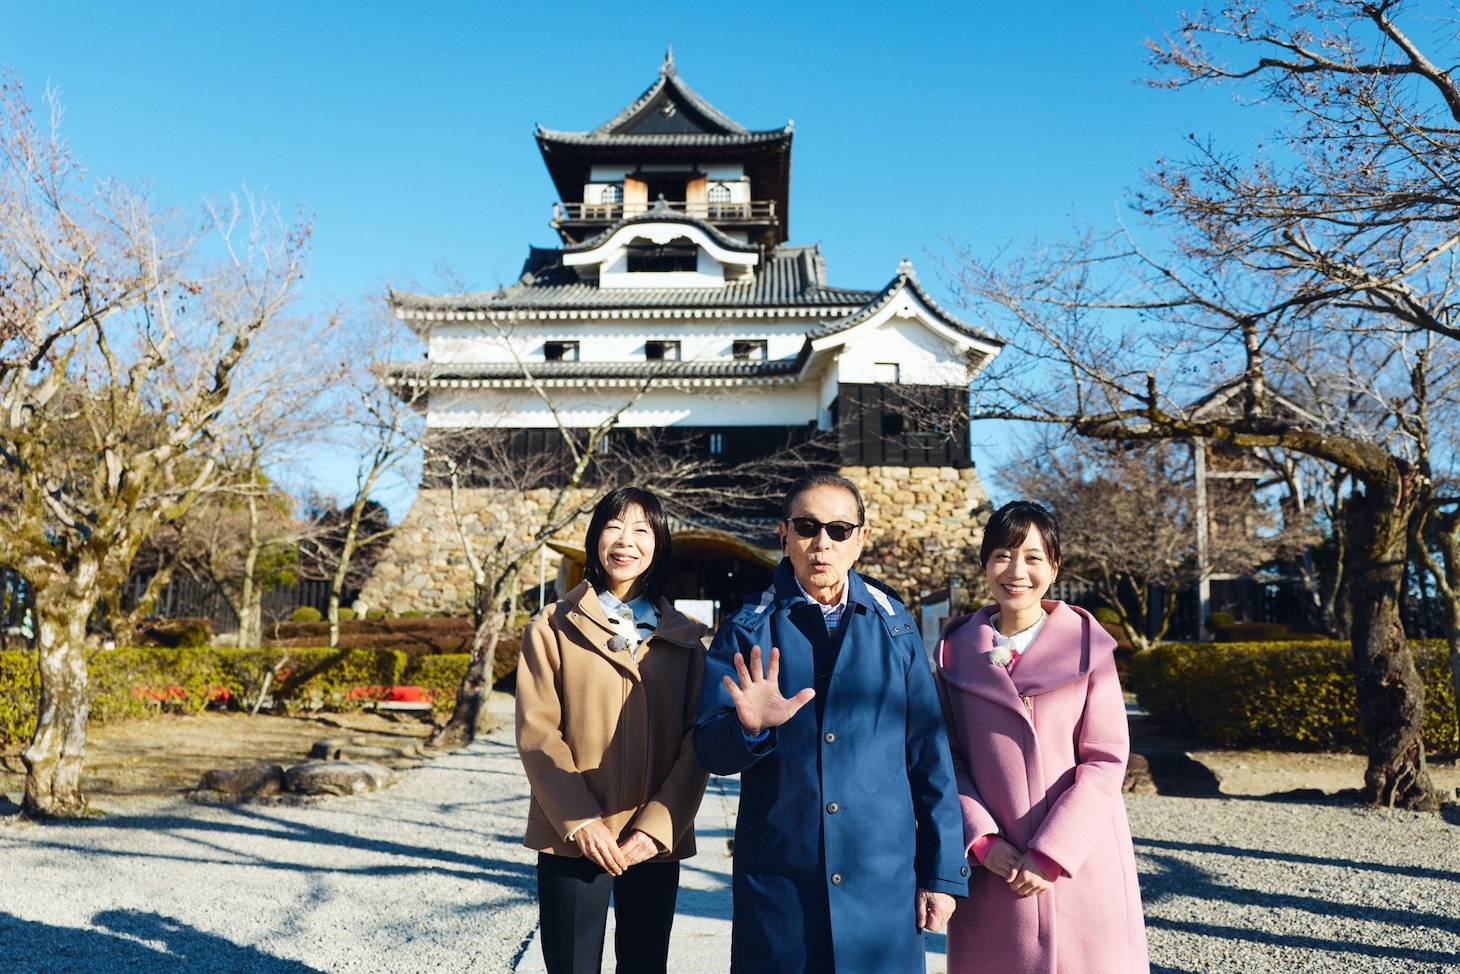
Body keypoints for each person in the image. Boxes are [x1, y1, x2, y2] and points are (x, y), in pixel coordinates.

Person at [693, 473, 969, 974]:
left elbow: (930, 757)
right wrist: (751, 729)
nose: (823, 543)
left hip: (881, 882)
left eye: (840, 529)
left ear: (861, 538)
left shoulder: (895, 625)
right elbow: (709, 750)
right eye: (807, 526)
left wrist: (942, 873)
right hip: (781, 883)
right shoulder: (747, 627)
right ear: (784, 534)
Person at [935, 500, 1149, 974]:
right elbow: (946, 760)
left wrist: (1052, 854)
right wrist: (982, 842)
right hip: (996, 869)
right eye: (1003, 555)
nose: (1017, 571)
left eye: (1033, 557)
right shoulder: (955, 653)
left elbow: (1107, 759)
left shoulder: (1087, 646)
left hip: (1081, 861)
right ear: (985, 564)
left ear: (1054, 568)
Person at [516, 486, 709, 974]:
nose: (626, 541)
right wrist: (580, 821)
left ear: (659, 544)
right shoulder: (552, 625)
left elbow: (697, 742)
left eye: (642, 530)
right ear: (595, 537)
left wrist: (660, 825)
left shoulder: (684, 637)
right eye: (614, 526)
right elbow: (538, 731)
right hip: (574, 835)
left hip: (650, 842)